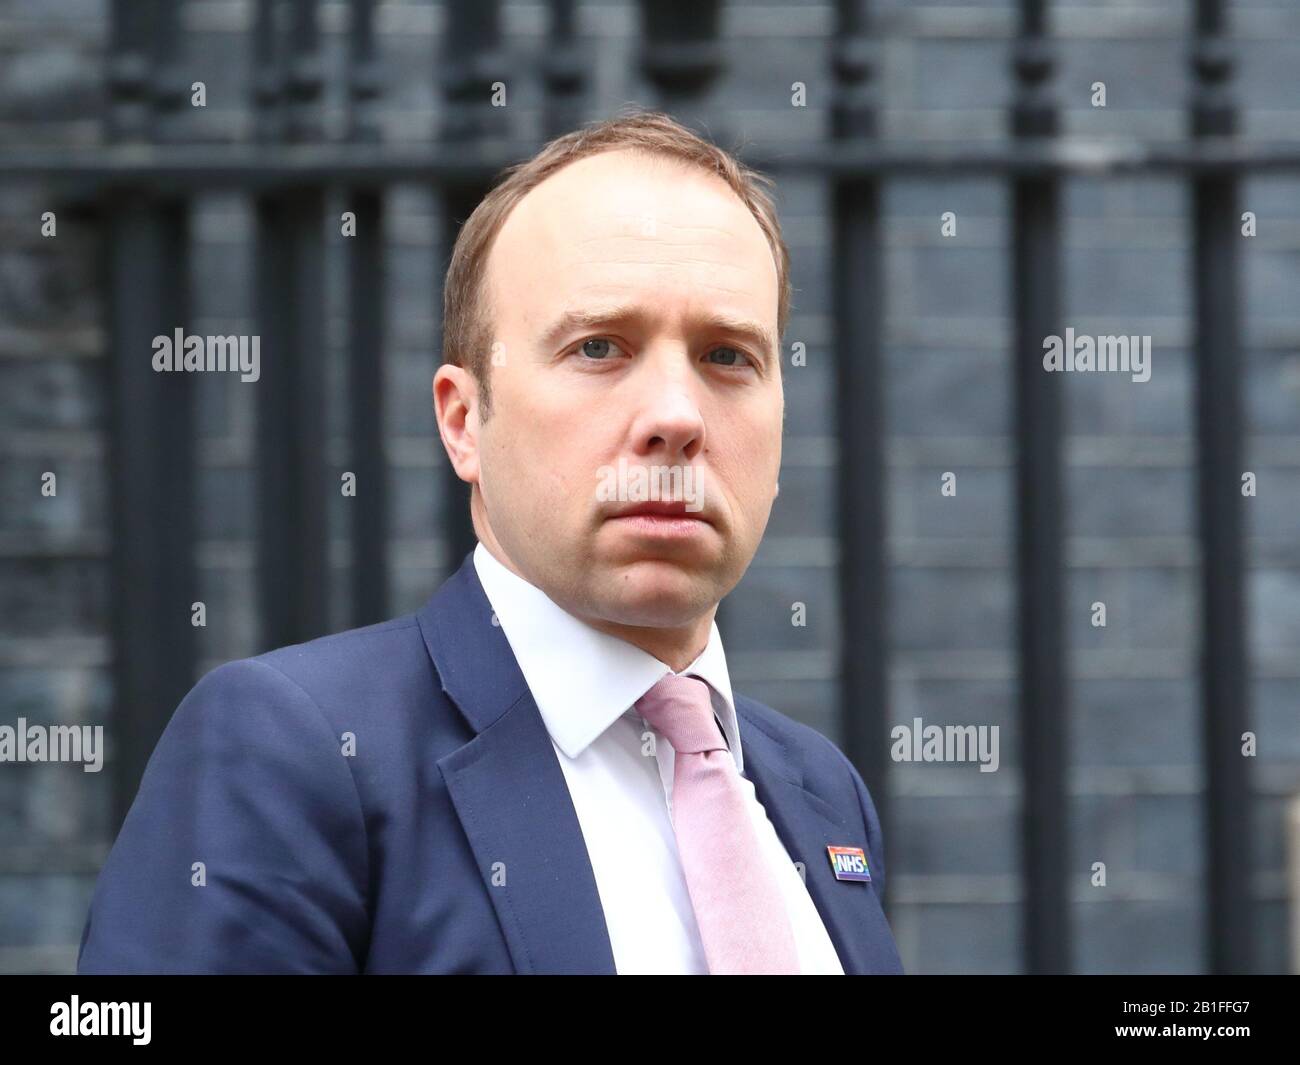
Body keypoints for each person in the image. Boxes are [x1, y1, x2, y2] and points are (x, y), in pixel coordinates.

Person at [77, 109, 904, 975]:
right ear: (464, 421)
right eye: (598, 347)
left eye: (729, 356)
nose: (676, 416)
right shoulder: (292, 752)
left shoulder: (820, 791)